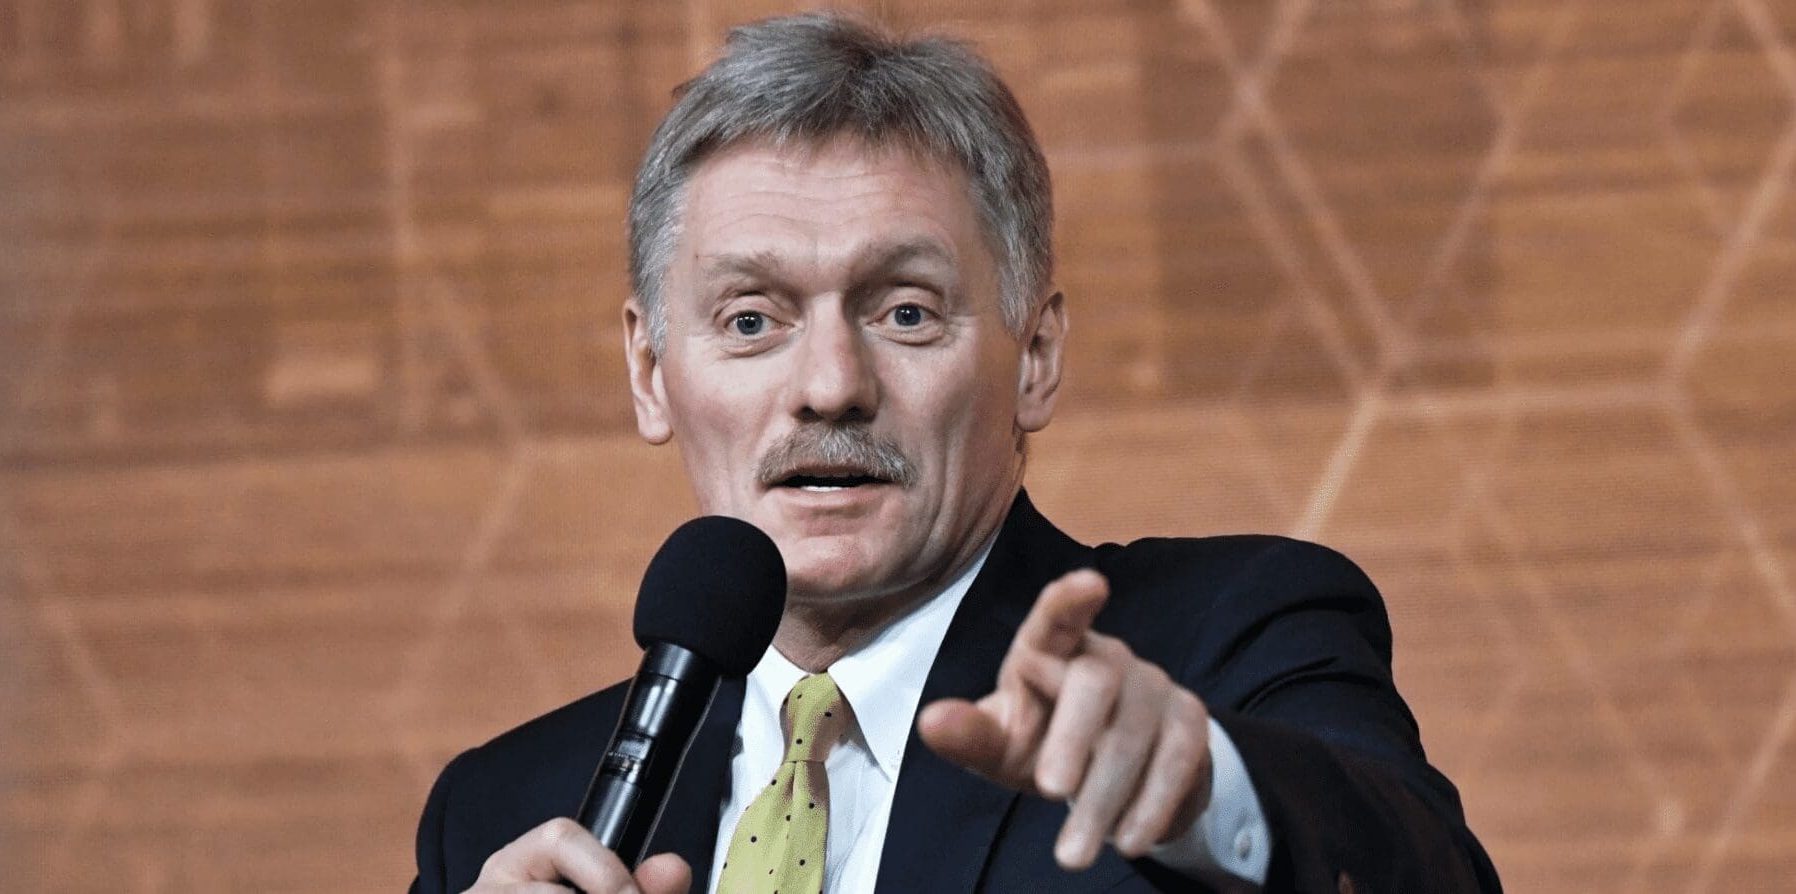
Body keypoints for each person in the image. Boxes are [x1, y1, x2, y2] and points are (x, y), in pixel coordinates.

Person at [410, 12, 1500, 894]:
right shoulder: (501, 812)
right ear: (651, 372)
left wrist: (1200, 793)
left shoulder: (1229, 645)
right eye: (750, 320)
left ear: (1035, 359)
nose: (830, 384)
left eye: (906, 312)